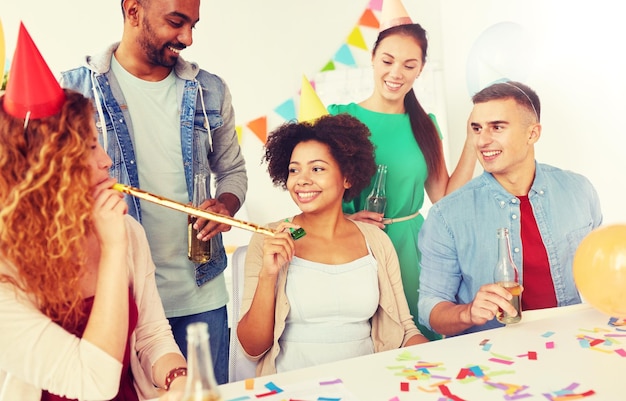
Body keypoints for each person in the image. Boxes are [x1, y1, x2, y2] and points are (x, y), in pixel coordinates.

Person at [61, 0, 248, 383]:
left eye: (193, 25)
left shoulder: (209, 91)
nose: (188, 38)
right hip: (115, 294)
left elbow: (233, 171)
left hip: (201, 294)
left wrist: (225, 206)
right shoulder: (71, 90)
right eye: (177, 23)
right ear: (133, 11)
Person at [0, 23, 186, 400]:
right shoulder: (6, 272)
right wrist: (114, 249)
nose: (106, 161)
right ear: (43, 170)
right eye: (87, 148)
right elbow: (94, 384)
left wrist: (178, 378)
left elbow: (151, 334)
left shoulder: (127, 231)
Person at [236, 114, 429, 377]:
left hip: (367, 384)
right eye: (294, 170)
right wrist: (268, 275)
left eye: (317, 169)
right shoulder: (268, 238)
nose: (302, 180)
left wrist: (439, 364)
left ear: (347, 177)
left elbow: (405, 330)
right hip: (292, 388)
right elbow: (252, 348)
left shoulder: (375, 241)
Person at [327, 0, 476, 340]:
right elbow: (312, 191)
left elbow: (445, 199)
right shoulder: (339, 118)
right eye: (388, 61)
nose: (396, 73)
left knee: (419, 340)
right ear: (373, 58)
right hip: (353, 245)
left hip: (413, 249)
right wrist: (346, 220)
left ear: (420, 69)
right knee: (364, 340)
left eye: (409, 65)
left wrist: (472, 142)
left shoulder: (426, 126)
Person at [417, 81, 603, 337]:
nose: (482, 140)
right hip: (494, 360)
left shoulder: (579, 191)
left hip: (571, 342)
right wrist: (467, 312)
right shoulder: (446, 216)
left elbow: (602, 274)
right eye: (476, 128)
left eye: (497, 127)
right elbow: (430, 309)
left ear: (532, 134)